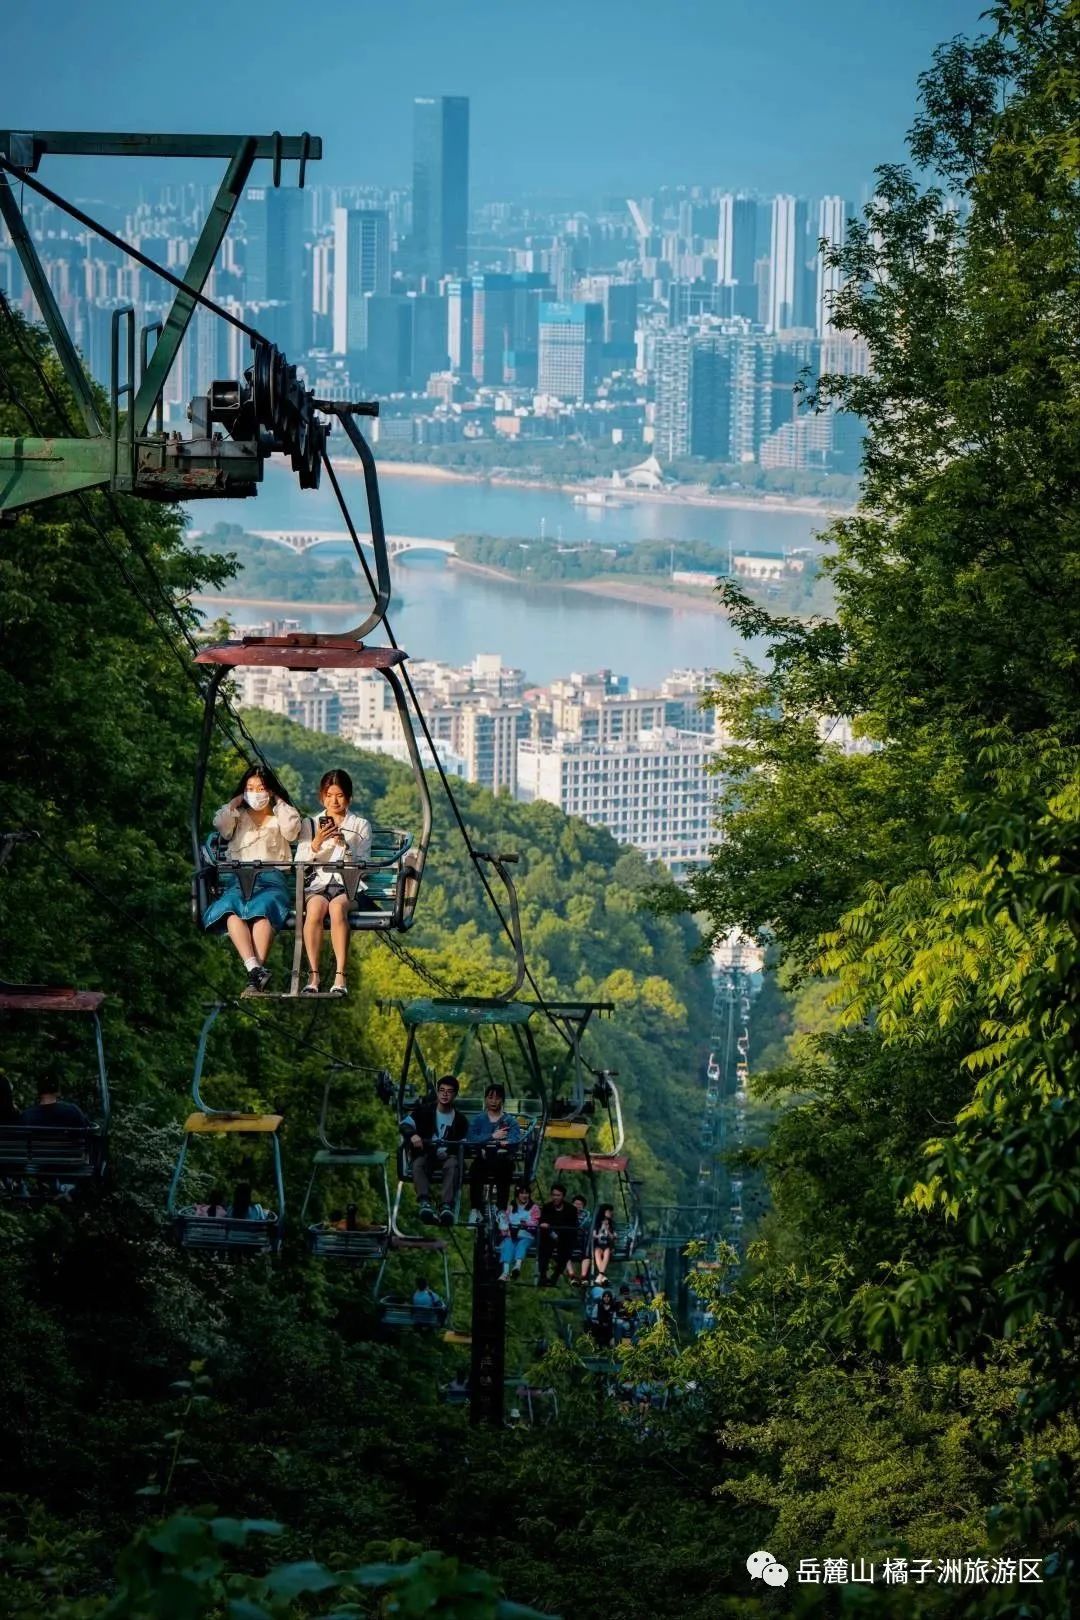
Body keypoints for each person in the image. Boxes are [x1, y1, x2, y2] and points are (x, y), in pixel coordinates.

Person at [202, 765, 301, 993]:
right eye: (250, 788)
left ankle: (255, 975)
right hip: (240, 879)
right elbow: (221, 825)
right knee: (230, 909)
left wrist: (277, 800)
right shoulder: (239, 817)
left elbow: (292, 830)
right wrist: (236, 802)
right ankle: (255, 970)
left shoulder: (280, 816)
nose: (255, 793)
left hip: (271, 880)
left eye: (261, 788)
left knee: (262, 909)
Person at [295, 768, 372, 998]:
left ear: (348, 797)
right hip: (319, 884)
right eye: (329, 795)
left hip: (348, 884)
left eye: (339, 795)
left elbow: (363, 865)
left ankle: (340, 974)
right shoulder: (311, 824)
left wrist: (345, 846)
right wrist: (316, 843)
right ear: (322, 796)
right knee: (315, 908)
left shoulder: (360, 825)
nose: (334, 800)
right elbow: (299, 863)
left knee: (337, 907)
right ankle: (314, 975)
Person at [400, 1074, 468, 1227]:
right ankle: (424, 1201)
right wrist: (413, 1135)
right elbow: (405, 1125)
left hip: (447, 1156)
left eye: (449, 1091)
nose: (445, 1094)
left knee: (453, 1164)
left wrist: (451, 1149)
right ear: (437, 1093)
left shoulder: (460, 1120)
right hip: (427, 1153)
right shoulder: (424, 1112)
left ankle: (446, 1205)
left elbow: (463, 1143)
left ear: (455, 1095)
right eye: (442, 1090)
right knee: (418, 1164)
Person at [466, 1083, 521, 1221]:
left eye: (497, 1098)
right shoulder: (479, 1120)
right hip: (483, 1161)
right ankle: (475, 1209)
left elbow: (514, 1140)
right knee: (476, 1170)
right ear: (486, 1099)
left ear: (502, 1100)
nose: (493, 1101)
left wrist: (499, 1144)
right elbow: (472, 1139)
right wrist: (493, 1137)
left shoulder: (509, 1121)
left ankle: (501, 1210)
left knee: (505, 1169)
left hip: (501, 1161)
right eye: (490, 1098)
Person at [536, 1183, 579, 1287]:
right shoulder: (547, 1207)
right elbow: (542, 1222)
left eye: (558, 1195)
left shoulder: (571, 1209)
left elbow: (573, 1226)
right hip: (549, 1235)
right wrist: (545, 1225)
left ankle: (555, 1275)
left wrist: (560, 1232)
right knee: (544, 1249)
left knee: (565, 1252)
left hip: (564, 1237)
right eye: (554, 1195)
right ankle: (542, 1275)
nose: (555, 1198)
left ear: (563, 1196)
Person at [497, 1184, 540, 1281]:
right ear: (517, 1195)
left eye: (526, 1193)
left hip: (527, 1235)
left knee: (522, 1244)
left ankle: (517, 1266)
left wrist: (525, 1224)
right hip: (512, 1234)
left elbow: (535, 1222)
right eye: (522, 1193)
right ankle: (505, 1272)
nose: (524, 1195)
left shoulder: (534, 1208)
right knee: (507, 1244)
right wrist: (505, 1229)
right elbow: (505, 1221)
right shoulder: (511, 1207)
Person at [18, 1083, 89, 1129]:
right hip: (68, 1152)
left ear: (38, 1092)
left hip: (37, 1152)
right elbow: (87, 1130)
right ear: (58, 1092)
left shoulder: (27, 1115)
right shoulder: (73, 1111)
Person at [566, 1192, 592, 1285]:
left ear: (583, 1206)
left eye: (579, 1204)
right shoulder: (567, 1214)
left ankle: (583, 1276)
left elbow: (588, 1226)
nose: (577, 1206)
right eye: (575, 1204)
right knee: (564, 1251)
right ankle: (572, 1275)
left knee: (587, 1252)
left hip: (582, 1238)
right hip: (569, 1238)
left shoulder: (586, 1216)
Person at [592, 1203, 617, 1286]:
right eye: (609, 1211)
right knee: (597, 1252)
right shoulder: (597, 1222)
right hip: (598, 1245)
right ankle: (603, 1277)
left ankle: (600, 1276)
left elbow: (614, 1237)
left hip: (608, 1245)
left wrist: (608, 1230)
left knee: (607, 1251)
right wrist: (600, 1232)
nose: (611, 1213)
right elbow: (594, 1235)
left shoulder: (611, 1223)